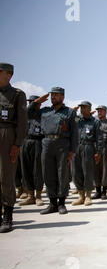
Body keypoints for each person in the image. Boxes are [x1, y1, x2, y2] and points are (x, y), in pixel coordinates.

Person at [28, 87, 78, 215]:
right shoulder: (45, 111)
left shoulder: (69, 112)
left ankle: (61, 203)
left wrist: (72, 150)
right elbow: (27, 114)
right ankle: (52, 203)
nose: (53, 97)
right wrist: (35, 102)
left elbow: (74, 133)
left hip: (62, 144)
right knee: (47, 173)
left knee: (62, 173)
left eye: (56, 95)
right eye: (52, 95)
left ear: (62, 97)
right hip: (46, 143)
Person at [0, 63, 27, 233]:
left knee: (6, 176)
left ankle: (8, 215)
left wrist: (17, 144)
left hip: (7, 134)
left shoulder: (17, 95)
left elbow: (22, 122)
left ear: (8, 75)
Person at [72, 101, 103, 206]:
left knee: (88, 172)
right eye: (81, 108)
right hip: (76, 147)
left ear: (90, 109)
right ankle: (81, 195)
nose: (82, 109)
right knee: (76, 172)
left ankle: (88, 196)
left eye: (85, 107)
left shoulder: (95, 122)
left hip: (88, 147)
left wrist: (98, 152)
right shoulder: (77, 120)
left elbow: (99, 138)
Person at [19, 95, 45, 207]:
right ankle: (30, 196)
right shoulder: (26, 114)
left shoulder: (42, 115)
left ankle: (38, 196)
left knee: (37, 169)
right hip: (25, 142)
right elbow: (27, 110)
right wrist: (34, 103)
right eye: (30, 102)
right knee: (26, 169)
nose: (31, 104)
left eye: (34, 103)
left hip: (38, 142)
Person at [93, 105, 107, 200]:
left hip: (106, 149)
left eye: (101, 111)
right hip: (95, 149)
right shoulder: (94, 123)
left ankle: (104, 191)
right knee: (95, 170)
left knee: (105, 171)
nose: (99, 113)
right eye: (98, 111)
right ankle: (97, 191)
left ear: (105, 112)